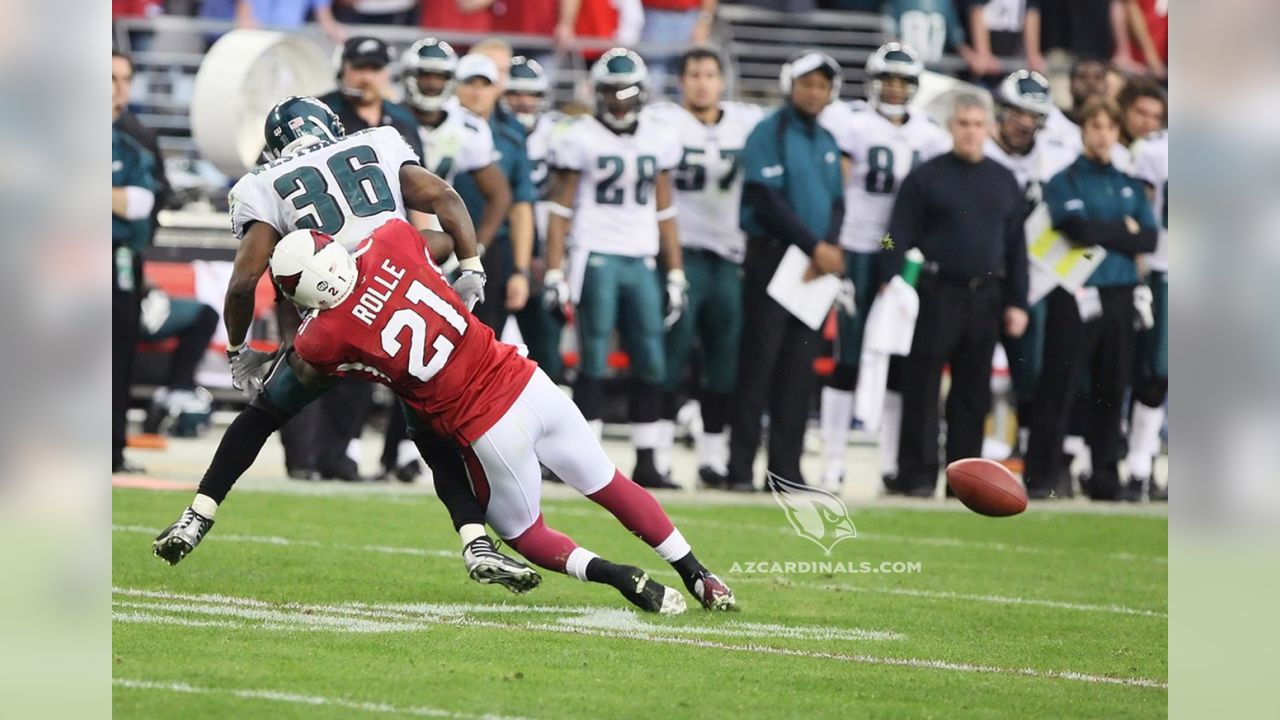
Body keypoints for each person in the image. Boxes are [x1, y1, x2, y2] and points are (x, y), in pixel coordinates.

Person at [152, 96, 537, 594]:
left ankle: (197, 515)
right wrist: (470, 266)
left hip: (335, 324)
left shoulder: (261, 184)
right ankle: (474, 540)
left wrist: (237, 349)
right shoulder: (377, 141)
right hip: (403, 309)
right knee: (427, 430)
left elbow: (244, 280)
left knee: (263, 415)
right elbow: (444, 198)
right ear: (331, 125)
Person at [273, 218, 737, 613]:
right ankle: (700, 574)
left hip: (486, 425)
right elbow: (433, 236)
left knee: (524, 534)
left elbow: (307, 363)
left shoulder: (324, 337)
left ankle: (619, 576)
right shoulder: (392, 236)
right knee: (610, 483)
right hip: (529, 382)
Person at [543, 48, 686, 490]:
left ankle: (648, 461)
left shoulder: (659, 137)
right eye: (610, 93)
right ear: (597, 94)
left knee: (651, 359)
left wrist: (675, 270)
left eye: (625, 94)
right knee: (594, 358)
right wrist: (554, 269)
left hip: (641, 257)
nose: (619, 103)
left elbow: (665, 210)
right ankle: (583, 462)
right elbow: (560, 209)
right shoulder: (579, 135)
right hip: (595, 254)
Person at [816, 42, 951, 492]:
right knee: (848, 354)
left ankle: (890, 460)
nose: (894, 89)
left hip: (898, 245)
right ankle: (833, 459)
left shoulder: (931, 135)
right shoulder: (850, 122)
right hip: (857, 243)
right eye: (887, 80)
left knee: (899, 350)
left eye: (902, 81)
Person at [882, 93, 1029, 497]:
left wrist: (1018, 301)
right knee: (923, 387)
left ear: (990, 129)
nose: (971, 131)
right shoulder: (926, 176)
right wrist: (892, 276)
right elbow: (893, 234)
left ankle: (966, 483)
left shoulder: (1003, 180)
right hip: (935, 292)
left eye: (978, 124)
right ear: (951, 127)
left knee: (973, 394)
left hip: (985, 296)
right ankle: (917, 475)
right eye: (964, 123)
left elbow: (1016, 246)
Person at [638, 47, 762, 488]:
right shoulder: (662, 120)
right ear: (681, 81)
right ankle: (662, 454)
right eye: (694, 74)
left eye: (710, 74)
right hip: (679, 254)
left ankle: (713, 456)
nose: (703, 83)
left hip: (728, 257)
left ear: (723, 80)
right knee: (670, 356)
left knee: (723, 362)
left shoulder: (747, 122)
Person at [1023, 97, 1157, 500]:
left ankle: (1104, 476)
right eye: (1096, 126)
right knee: (1060, 383)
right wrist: (1121, 227)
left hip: (1119, 291)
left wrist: (1108, 229)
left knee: (1112, 386)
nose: (1103, 135)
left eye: (1110, 128)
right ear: (1084, 130)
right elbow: (1077, 227)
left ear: (1119, 134)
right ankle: (1042, 475)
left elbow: (1148, 238)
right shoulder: (1066, 178)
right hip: (1075, 290)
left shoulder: (1128, 182)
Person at [727, 51, 845, 491]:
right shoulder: (768, 131)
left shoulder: (828, 140)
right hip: (773, 257)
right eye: (807, 83)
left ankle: (787, 471)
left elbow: (836, 202)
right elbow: (764, 198)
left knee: (799, 367)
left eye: (822, 85)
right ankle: (740, 469)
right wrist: (816, 247)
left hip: (815, 267)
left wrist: (827, 249)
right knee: (759, 364)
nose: (815, 92)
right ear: (790, 84)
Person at [983, 69, 1077, 459]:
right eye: (1017, 112)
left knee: (1030, 369)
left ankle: (1022, 443)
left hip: (1033, 277)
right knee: (969, 364)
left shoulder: (1053, 159)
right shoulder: (978, 149)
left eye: (1032, 115)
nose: (1024, 122)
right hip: (981, 271)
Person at [453, 50, 535, 336]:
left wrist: (520, 271)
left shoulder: (511, 136)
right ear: (456, 86)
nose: (477, 92)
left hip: (492, 250)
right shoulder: (435, 128)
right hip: (440, 244)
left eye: (484, 84)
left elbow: (521, 206)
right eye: (469, 83)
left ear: (497, 88)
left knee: (485, 339)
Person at [504, 55, 570, 384]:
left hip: (545, 236)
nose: (523, 101)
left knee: (546, 337)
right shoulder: (493, 130)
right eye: (515, 92)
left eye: (531, 94)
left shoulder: (558, 132)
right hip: (504, 235)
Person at [113, 55, 159, 474]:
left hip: (120, 260)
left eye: (123, 79)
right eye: (107, 78)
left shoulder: (135, 138)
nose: (116, 87)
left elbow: (142, 203)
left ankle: (111, 449)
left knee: (117, 355)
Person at [1124, 128, 1168, 502]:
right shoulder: (1155, 151)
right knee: (1157, 372)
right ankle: (1139, 465)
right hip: (1165, 271)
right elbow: (1136, 216)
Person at [318, 36, 424, 160]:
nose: (367, 78)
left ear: (387, 73)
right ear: (341, 70)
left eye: (375, 69)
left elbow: (419, 169)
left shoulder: (403, 116)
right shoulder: (321, 113)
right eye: (359, 68)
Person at [638, 0, 717, 94]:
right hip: (654, 14)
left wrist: (704, 20)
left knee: (689, 71)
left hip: (689, 16)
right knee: (654, 76)